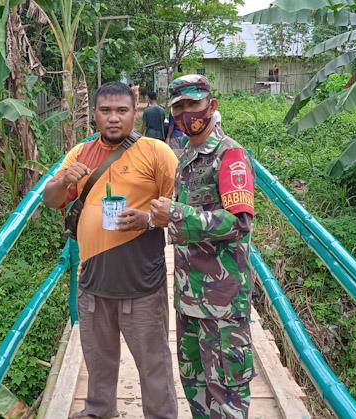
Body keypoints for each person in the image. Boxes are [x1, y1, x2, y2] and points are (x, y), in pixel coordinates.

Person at [43, 82, 179, 419]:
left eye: (122, 111)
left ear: (136, 113)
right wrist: (62, 182)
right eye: (106, 111)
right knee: (98, 359)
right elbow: (51, 201)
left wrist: (148, 219)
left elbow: (181, 208)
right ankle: (98, 412)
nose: (113, 118)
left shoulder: (157, 152)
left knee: (153, 363)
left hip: (141, 282)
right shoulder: (80, 153)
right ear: (95, 115)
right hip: (92, 279)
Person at [149, 74, 256, 419]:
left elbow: (239, 222)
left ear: (212, 105)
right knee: (195, 391)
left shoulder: (230, 155)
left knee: (225, 396)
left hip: (222, 305)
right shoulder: (187, 157)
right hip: (189, 299)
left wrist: (176, 213)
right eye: (178, 107)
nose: (186, 113)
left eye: (193, 104)